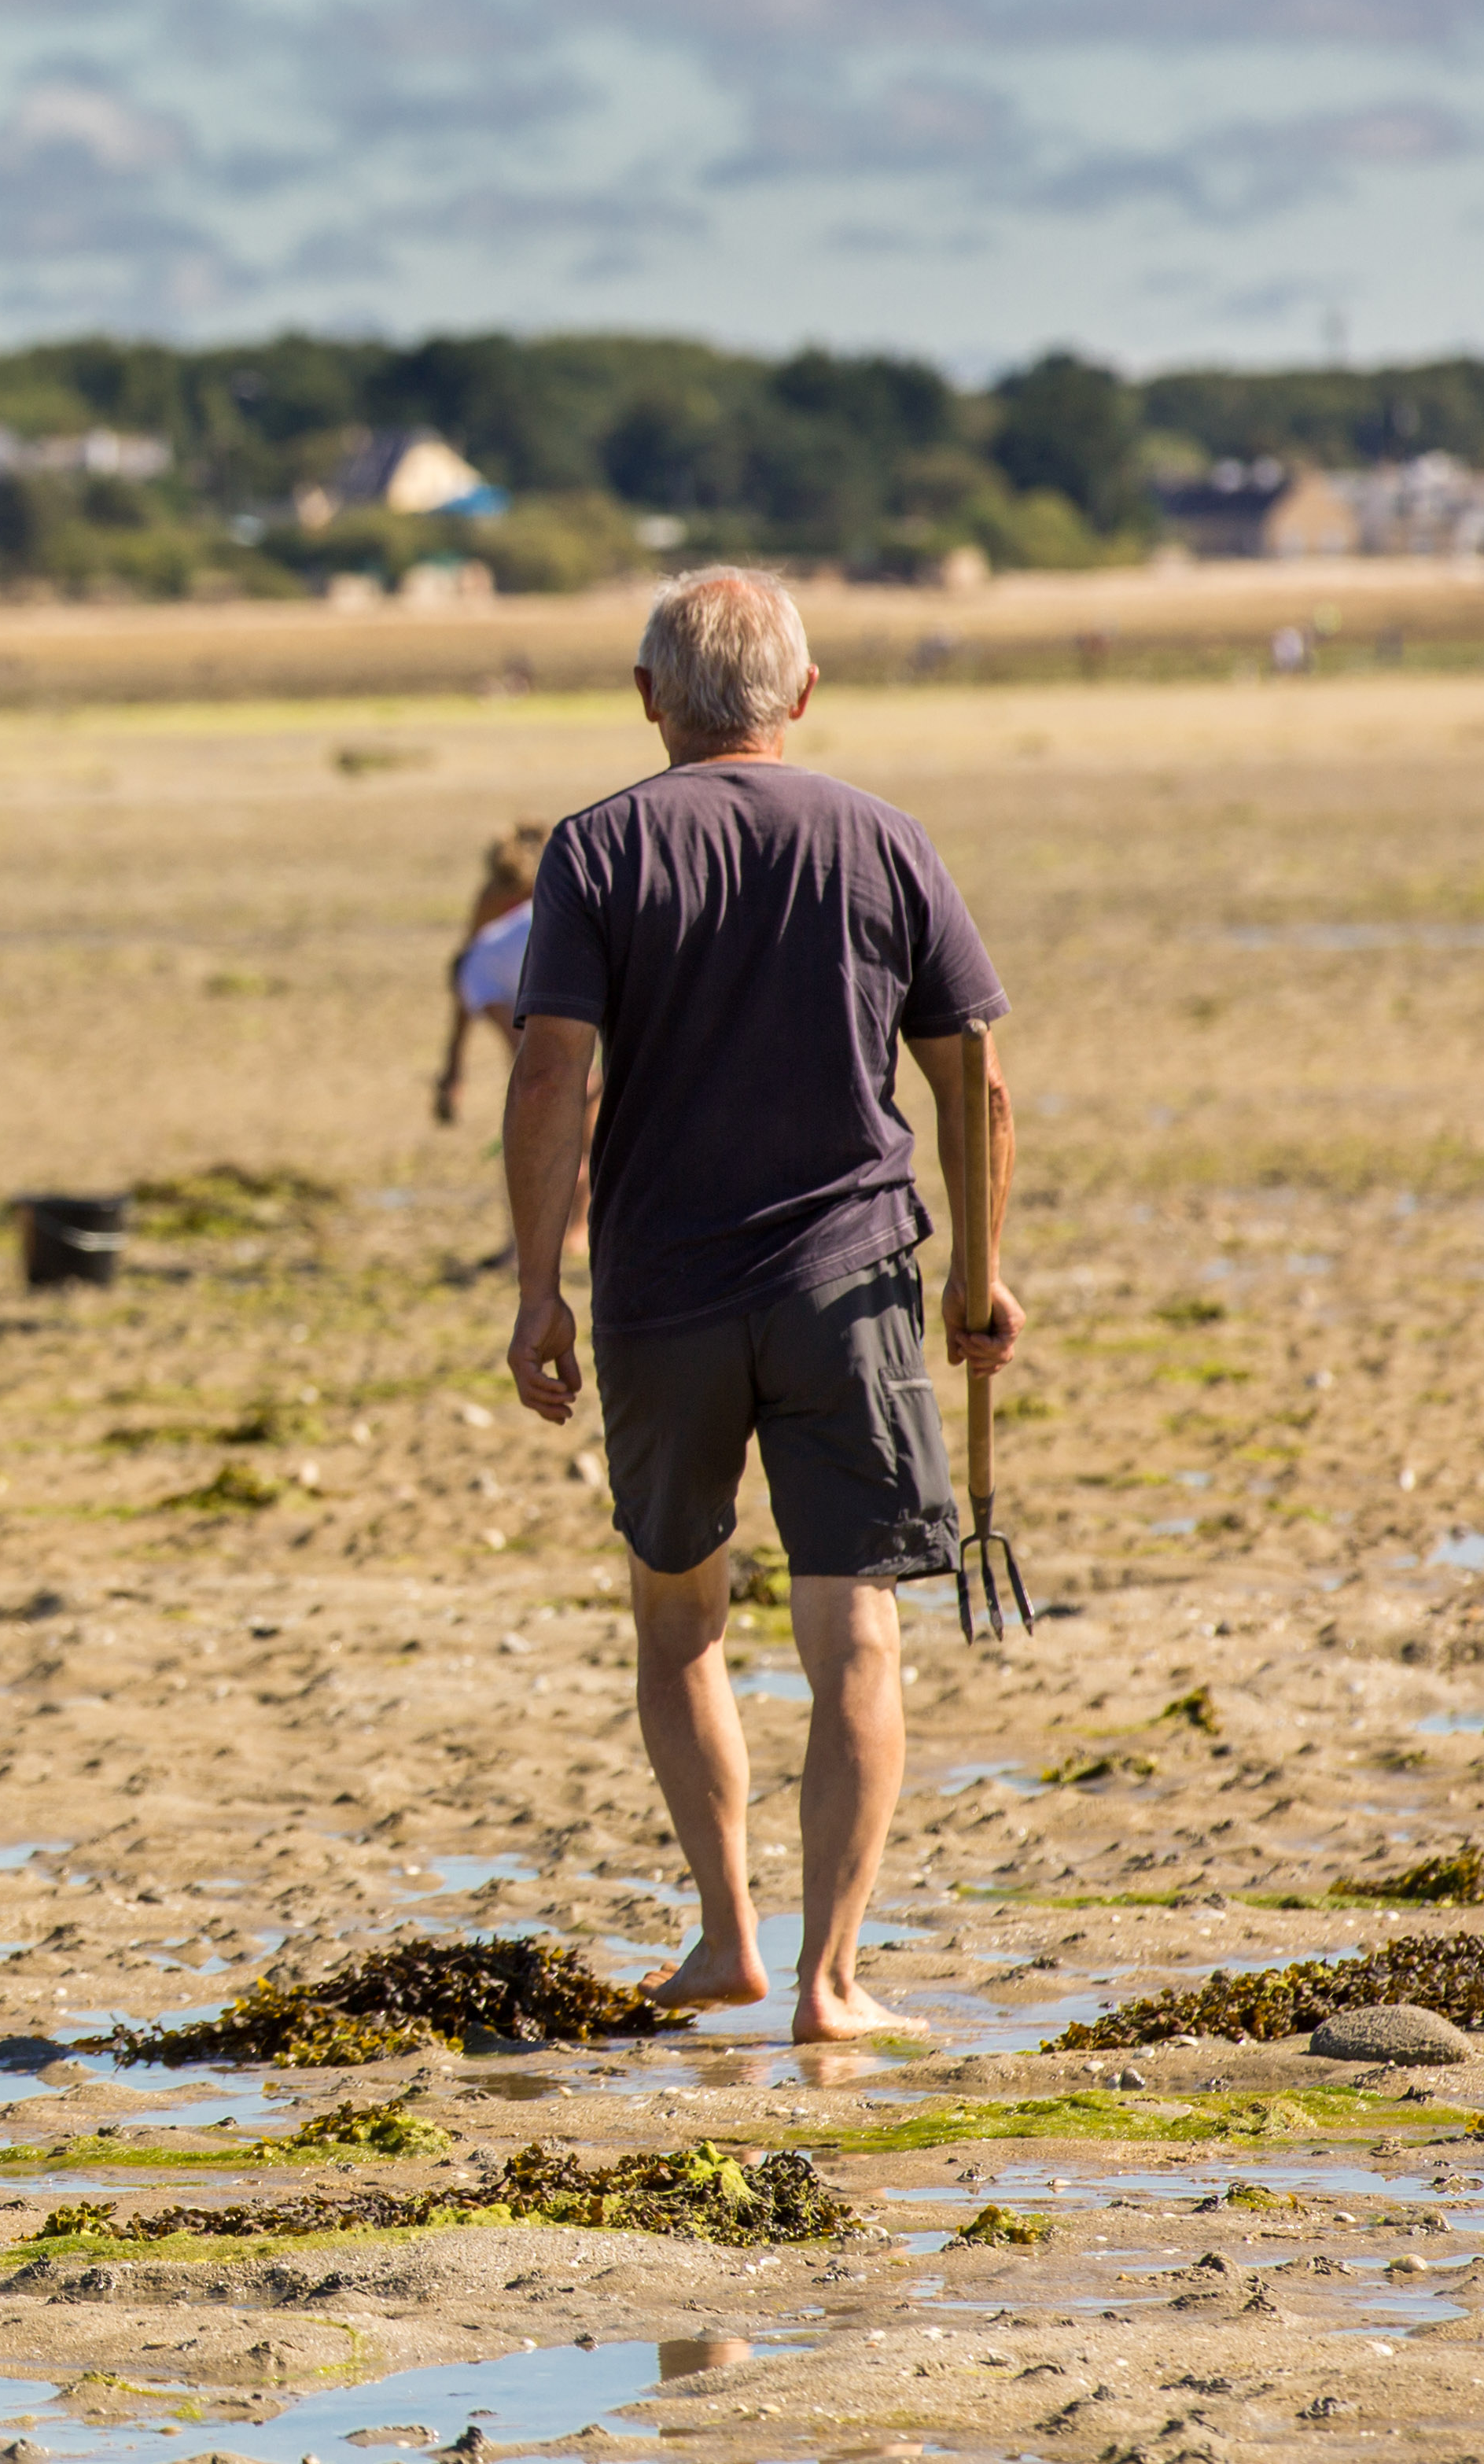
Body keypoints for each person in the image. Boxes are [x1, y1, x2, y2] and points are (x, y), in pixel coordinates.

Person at [499, 568, 1021, 2047]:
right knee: (852, 1632)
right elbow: (972, 1076)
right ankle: (826, 1982)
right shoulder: (881, 837)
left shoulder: (599, 848)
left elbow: (550, 1078)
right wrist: (978, 1269)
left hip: (660, 1291)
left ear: (652, 697)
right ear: (800, 694)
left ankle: (730, 1936)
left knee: (681, 1622)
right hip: (848, 1288)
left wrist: (537, 1286)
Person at [429, 823, 547, 1129]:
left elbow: (471, 972)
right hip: (515, 987)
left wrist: (453, 1071)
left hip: (532, 985)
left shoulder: (527, 894)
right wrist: (453, 1071)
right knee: (534, 1068)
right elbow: (473, 970)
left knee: (536, 1070)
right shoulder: (495, 900)